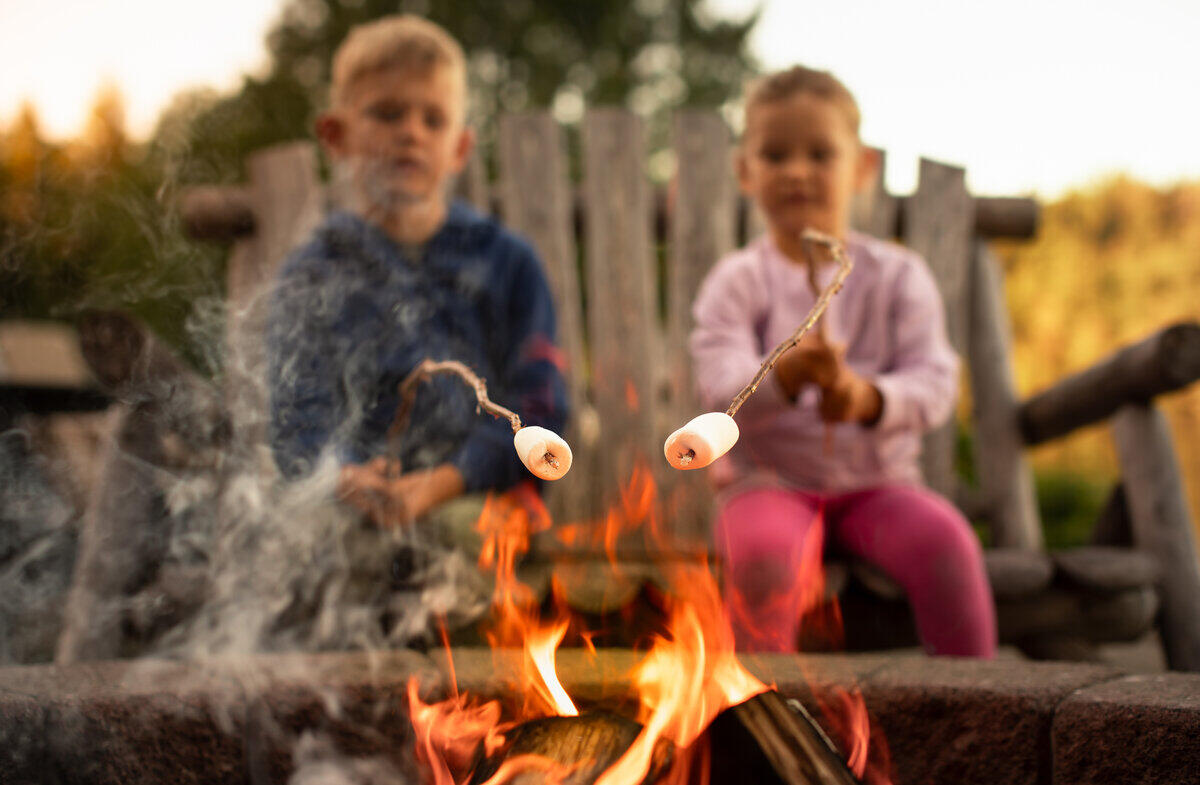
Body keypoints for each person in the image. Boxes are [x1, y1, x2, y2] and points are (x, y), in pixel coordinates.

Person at [690, 65, 995, 656]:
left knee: (948, 545)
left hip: (880, 487)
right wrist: (781, 376)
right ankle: (760, 720)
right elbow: (716, 394)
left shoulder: (899, 276)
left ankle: (981, 707)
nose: (798, 170)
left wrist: (866, 397)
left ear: (862, 168)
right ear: (745, 172)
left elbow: (935, 383)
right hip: (764, 483)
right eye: (775, 155)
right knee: (763, 562)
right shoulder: (736, 282)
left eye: (820, 154)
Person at [266, 15, 568, 541]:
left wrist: (446, 481)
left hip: (481, 500)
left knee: (449, 544)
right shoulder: (312, 276)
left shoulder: (508, 263)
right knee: (318, 548)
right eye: (387, 114)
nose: (410, 132)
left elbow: (540, 407)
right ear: (336, 136)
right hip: (349, 510)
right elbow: (297, 418)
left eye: (433, 120)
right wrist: (342, 475)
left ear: (460, 149)